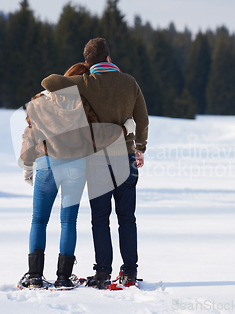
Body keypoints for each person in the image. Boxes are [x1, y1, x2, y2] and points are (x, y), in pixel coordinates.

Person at [41, 38, 149, 289]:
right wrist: (140, 148)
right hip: (125, 156)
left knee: (100, 218)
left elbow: (48, 82)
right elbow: (142, 120)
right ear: (109, 58)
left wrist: (83, 73)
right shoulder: (130, 82)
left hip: (98, 160)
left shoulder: (84, 82)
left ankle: (102, 273)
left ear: (88, 62)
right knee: (127, 218)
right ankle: (129, 272)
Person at [18, 63, 136, 289]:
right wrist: (124, 129)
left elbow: (30, 134)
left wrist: (27, 164)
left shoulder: (39, 102)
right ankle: (63, 277)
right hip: (76, 167)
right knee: (68, 221)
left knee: (39, 220)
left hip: (46, 164)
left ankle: (34, 276)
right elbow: (97, 135)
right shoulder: (81, 104)